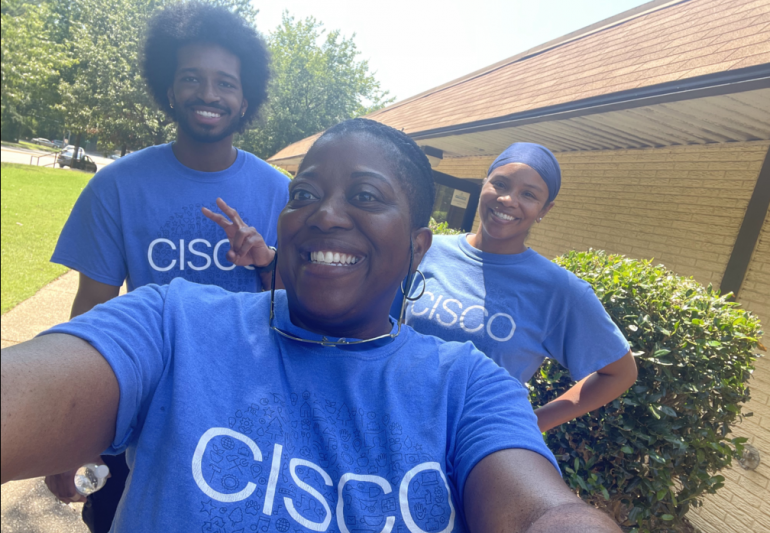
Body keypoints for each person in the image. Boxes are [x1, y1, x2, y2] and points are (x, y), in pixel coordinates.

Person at [1, 119, 622, 533]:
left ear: (416, 247)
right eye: (303, 195)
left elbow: (544, 511)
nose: (324, 215)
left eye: (367, 196)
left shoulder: (469, 387)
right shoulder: (175, 322)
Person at [42, 4, 289, 532]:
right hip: (138, 412)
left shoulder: (278, 192)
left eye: (225, 82)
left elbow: (304, 307)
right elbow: (91, 313)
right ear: (169, 89)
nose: (208, 94)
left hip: (248, 417)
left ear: (245, 99)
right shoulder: (117, 185)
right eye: (191, 79)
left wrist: (265, 261)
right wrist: (65, 430)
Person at [395, 142, 637, 433]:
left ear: (545, 209)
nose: (508, 199)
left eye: (529, 194)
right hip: (390, 418)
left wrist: (533, 423)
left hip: (471, 447)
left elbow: (620, 373)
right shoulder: (428, 249)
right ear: (484, 184)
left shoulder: (558, 290)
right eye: (500, 183)